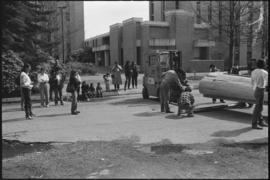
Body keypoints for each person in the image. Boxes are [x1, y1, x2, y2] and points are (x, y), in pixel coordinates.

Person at [251, 59, 268, 129]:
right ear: (263, 65)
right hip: (261, 90)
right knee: (258, 107)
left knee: (259, 107)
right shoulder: (265, 72)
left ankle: (260, 121)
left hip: (255, 89)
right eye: (264, 64)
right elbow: (266, 83)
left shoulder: (253, 71)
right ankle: (254, 124)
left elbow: (252, 81)